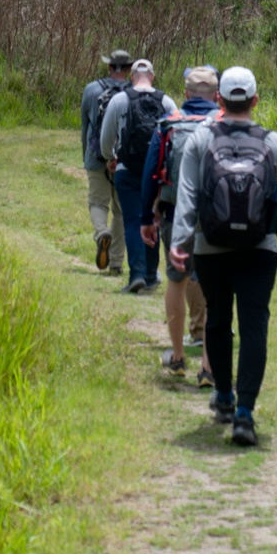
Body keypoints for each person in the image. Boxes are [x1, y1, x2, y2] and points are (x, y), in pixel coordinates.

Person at [170, 66, 277, 447]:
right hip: (260, 248)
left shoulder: (200, 140)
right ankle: (245, 413)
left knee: (218, 320)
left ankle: (224, 396)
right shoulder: (274, 143)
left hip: (211, 247)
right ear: (255, 101)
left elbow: (187, 194)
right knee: (255, 325)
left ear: (219, 101)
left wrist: (179, 241)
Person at [140, 65, 220, 384]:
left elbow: (151, 174)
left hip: (174, 214)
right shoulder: (224, 125)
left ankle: (176, 358)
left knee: (176, 279)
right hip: (216, 216)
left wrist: (147, 217)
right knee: (214, 286)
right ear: (216, 95)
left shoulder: (168, 125)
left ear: (185, 94)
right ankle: (209, 368)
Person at [100, 58, 177, 293]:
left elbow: (106, 139)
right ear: (152, 76)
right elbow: (177, 137)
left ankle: (137, 275)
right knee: (153, 219)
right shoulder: (166, 101)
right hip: (156, 174)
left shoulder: (119, 100)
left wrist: (110, 158)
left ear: (132, 76)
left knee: (133, 221)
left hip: (127, 170)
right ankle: (152, 275)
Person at [80, 49, 133, 275]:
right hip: (124, 159)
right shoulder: (134, 93)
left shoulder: (92, 90)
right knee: (120, 211)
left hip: (96, 155)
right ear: (129, 69)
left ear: (110, 67)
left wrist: (87, 156)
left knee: (97, 203)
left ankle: (102, 232)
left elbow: (85, 127)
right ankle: (116, 263)